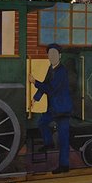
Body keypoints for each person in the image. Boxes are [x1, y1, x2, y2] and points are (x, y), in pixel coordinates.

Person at [33, 43, 72, 172]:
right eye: (50, 54)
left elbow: (51, 88)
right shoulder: (51, 68)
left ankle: (64, 165)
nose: (52, 56)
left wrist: (34, 82)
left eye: (54, 54)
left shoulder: (62, 71)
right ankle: (48, 143)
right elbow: (46, 83)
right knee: (42, 123)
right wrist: (36, 97)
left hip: (62, 109)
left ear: (59, 56)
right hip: (53, 108)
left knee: (63, 139)